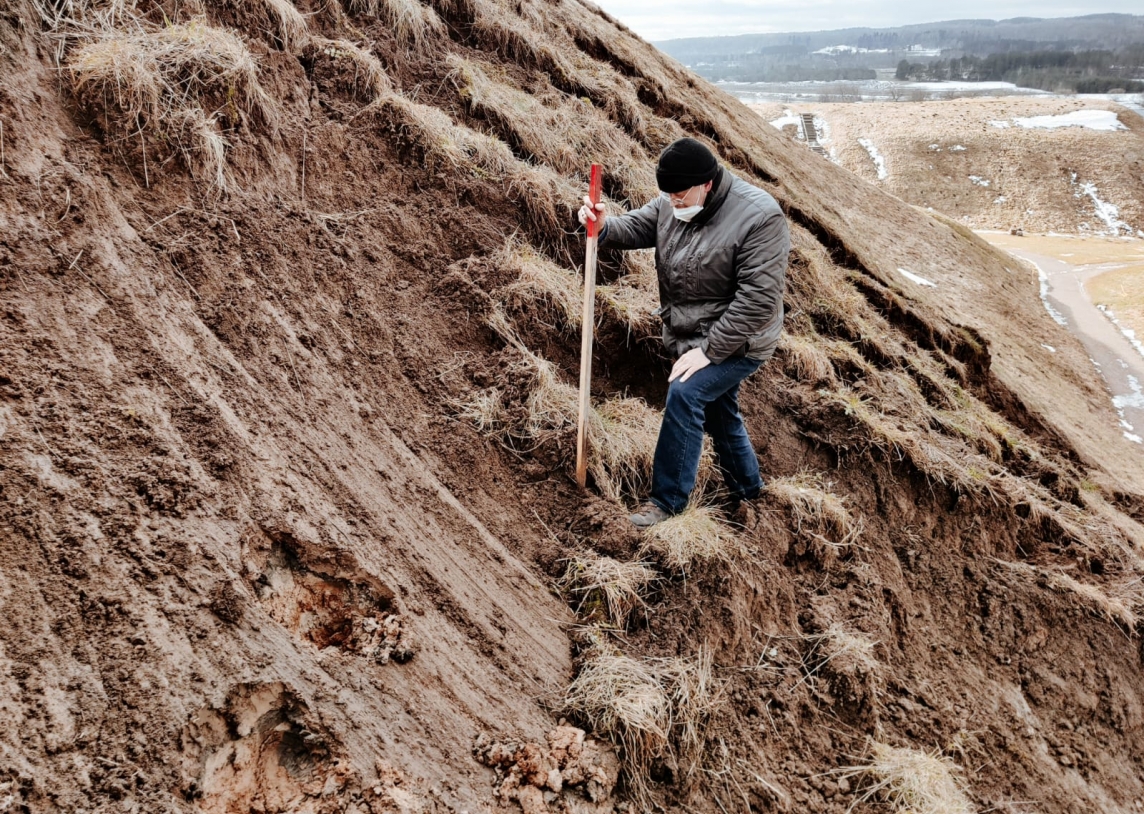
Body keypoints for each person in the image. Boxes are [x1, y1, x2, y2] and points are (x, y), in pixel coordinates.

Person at [578, 137, 789, 528]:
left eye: (679, 194)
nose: (673, 202)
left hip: (741, 340)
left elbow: (758, 301)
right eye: (668, 195)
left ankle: (666, 502)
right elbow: (639, 226)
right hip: (692, 334)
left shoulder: (759, 218)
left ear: (707, 183)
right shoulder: (674, 203)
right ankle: (749, 492)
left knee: (686, 392)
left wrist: (709, 351)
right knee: (720, 413)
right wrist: (604, 227)